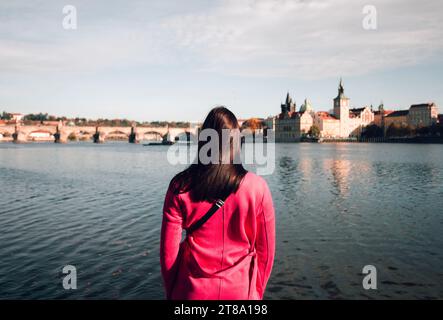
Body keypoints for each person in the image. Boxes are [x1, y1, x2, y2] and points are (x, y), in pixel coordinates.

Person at [160, 106, 275, 300]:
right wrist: (256, 291)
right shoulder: (257, 188)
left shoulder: (180, 187)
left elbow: (168, 255)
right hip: (241, 292)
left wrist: (172, 292)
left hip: (191, 290)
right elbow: (266, 253)